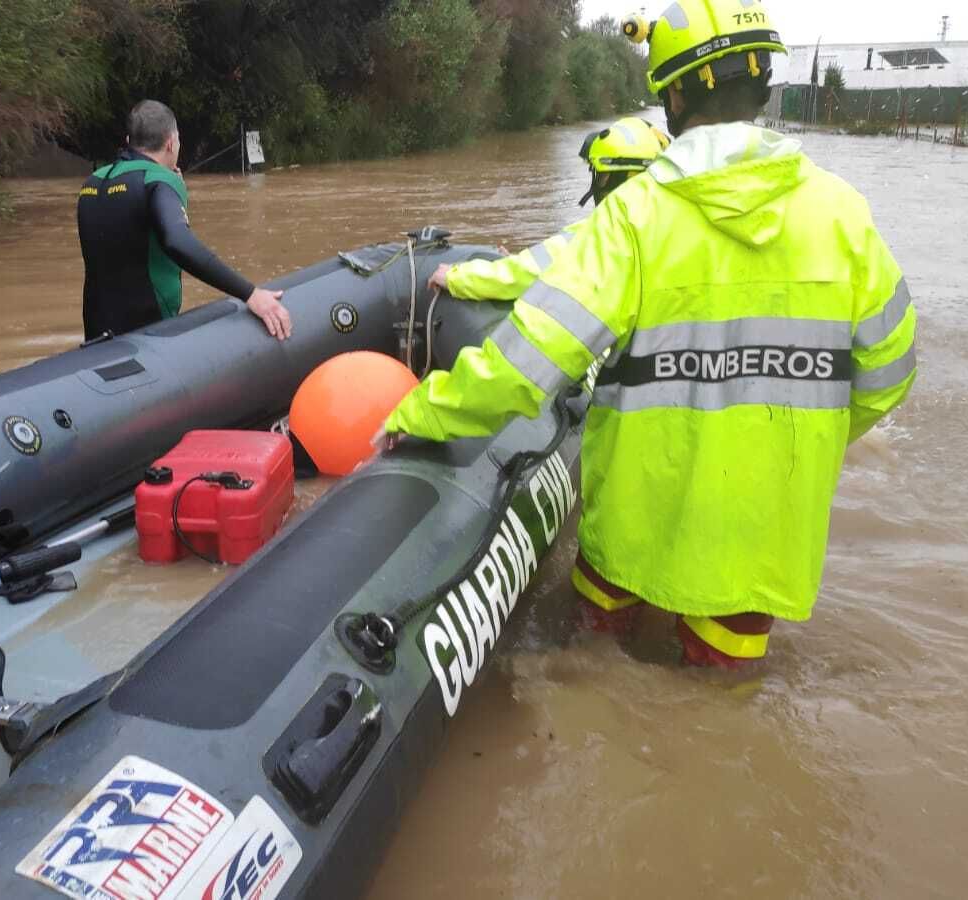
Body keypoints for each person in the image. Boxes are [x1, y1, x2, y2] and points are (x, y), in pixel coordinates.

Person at [384, 0, 917, 670]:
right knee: (720, 712)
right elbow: (891, 373)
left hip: (636, 522)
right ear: (764, 86)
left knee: (589, 669)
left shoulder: (636, 215)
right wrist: (800, 438)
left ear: (674, 97)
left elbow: (529, 361)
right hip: (761, 535)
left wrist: (424, 410)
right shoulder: (844, 216)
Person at [77, 100, 292, 340]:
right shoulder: (159, 180)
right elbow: (178, 241)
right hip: (147, 338)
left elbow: (126, 231)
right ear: (170, 143)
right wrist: (250, 294)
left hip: (97, 339)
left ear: (129, 141)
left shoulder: (92, 183)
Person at [426, 116, 669, 303]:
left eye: (600, 176)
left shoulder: (604, 234)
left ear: (619, 177)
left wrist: (456, 277)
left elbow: (526, 272)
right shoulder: (675, 228)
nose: (597, 183)